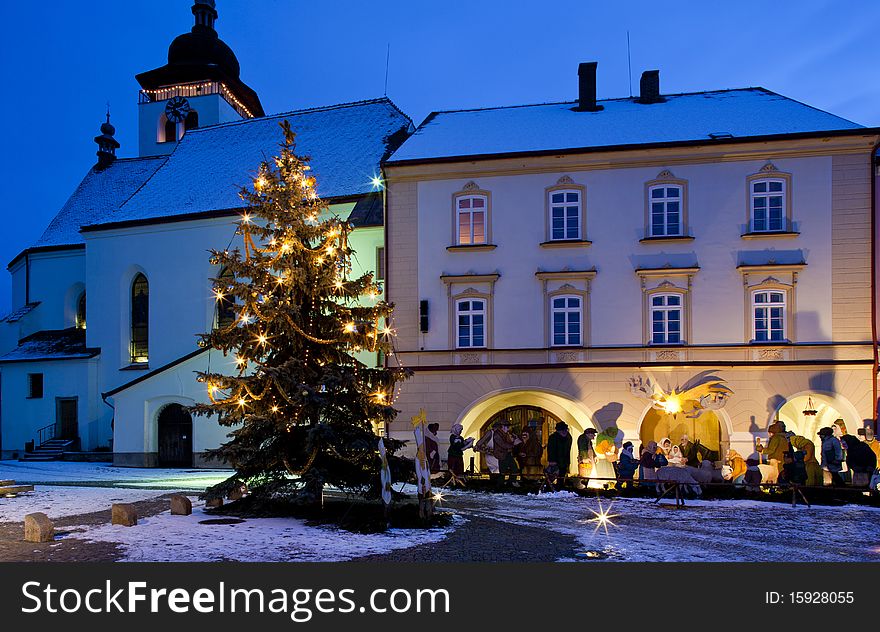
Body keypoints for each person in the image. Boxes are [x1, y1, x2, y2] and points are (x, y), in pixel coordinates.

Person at [492, 420, 521, 485]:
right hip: (502, 454)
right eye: (507, 427)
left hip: (507, 453)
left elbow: (508, 443)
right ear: (502, 427)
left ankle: (511, 482)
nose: (508, 429)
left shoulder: (506, 434)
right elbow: (503, 444)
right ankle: (501, 484)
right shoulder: (497, 434)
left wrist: (513, 439)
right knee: (503, 471)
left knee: (514, 468)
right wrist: (514, 444)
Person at [546, 421, 573, 488]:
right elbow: (551, 449)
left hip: (564, 460)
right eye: (562, 430)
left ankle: (559, 487)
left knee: (561, 475)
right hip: (556, 460)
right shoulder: (553, 437)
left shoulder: (568, 437)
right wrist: (552, 460)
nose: (563, 432)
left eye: (564, 430)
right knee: (552, 475)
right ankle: (550, 487)